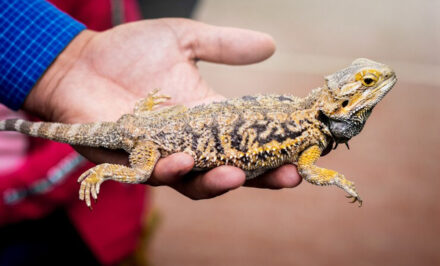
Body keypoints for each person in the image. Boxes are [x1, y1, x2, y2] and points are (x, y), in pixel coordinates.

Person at [0, 0, 301, 264]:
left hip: (116, 158)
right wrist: (103, 169)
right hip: (135, 137)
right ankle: (103, 170)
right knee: (141, 170)